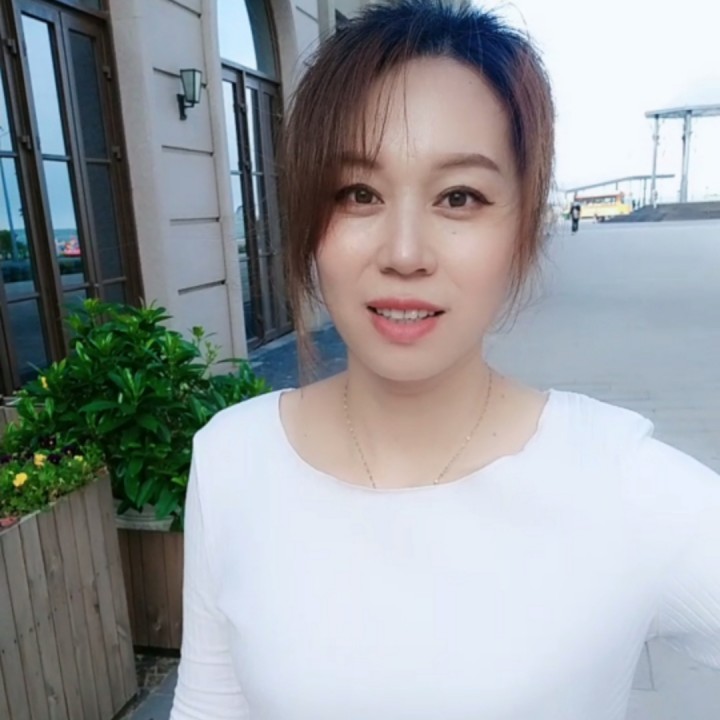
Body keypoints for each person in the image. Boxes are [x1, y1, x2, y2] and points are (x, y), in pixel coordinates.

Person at [170, 1, 720, 718]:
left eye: (459, 197)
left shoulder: (623, 484)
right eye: (359, 194)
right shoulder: (233, 460)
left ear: (523, 226)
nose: (405, 253)